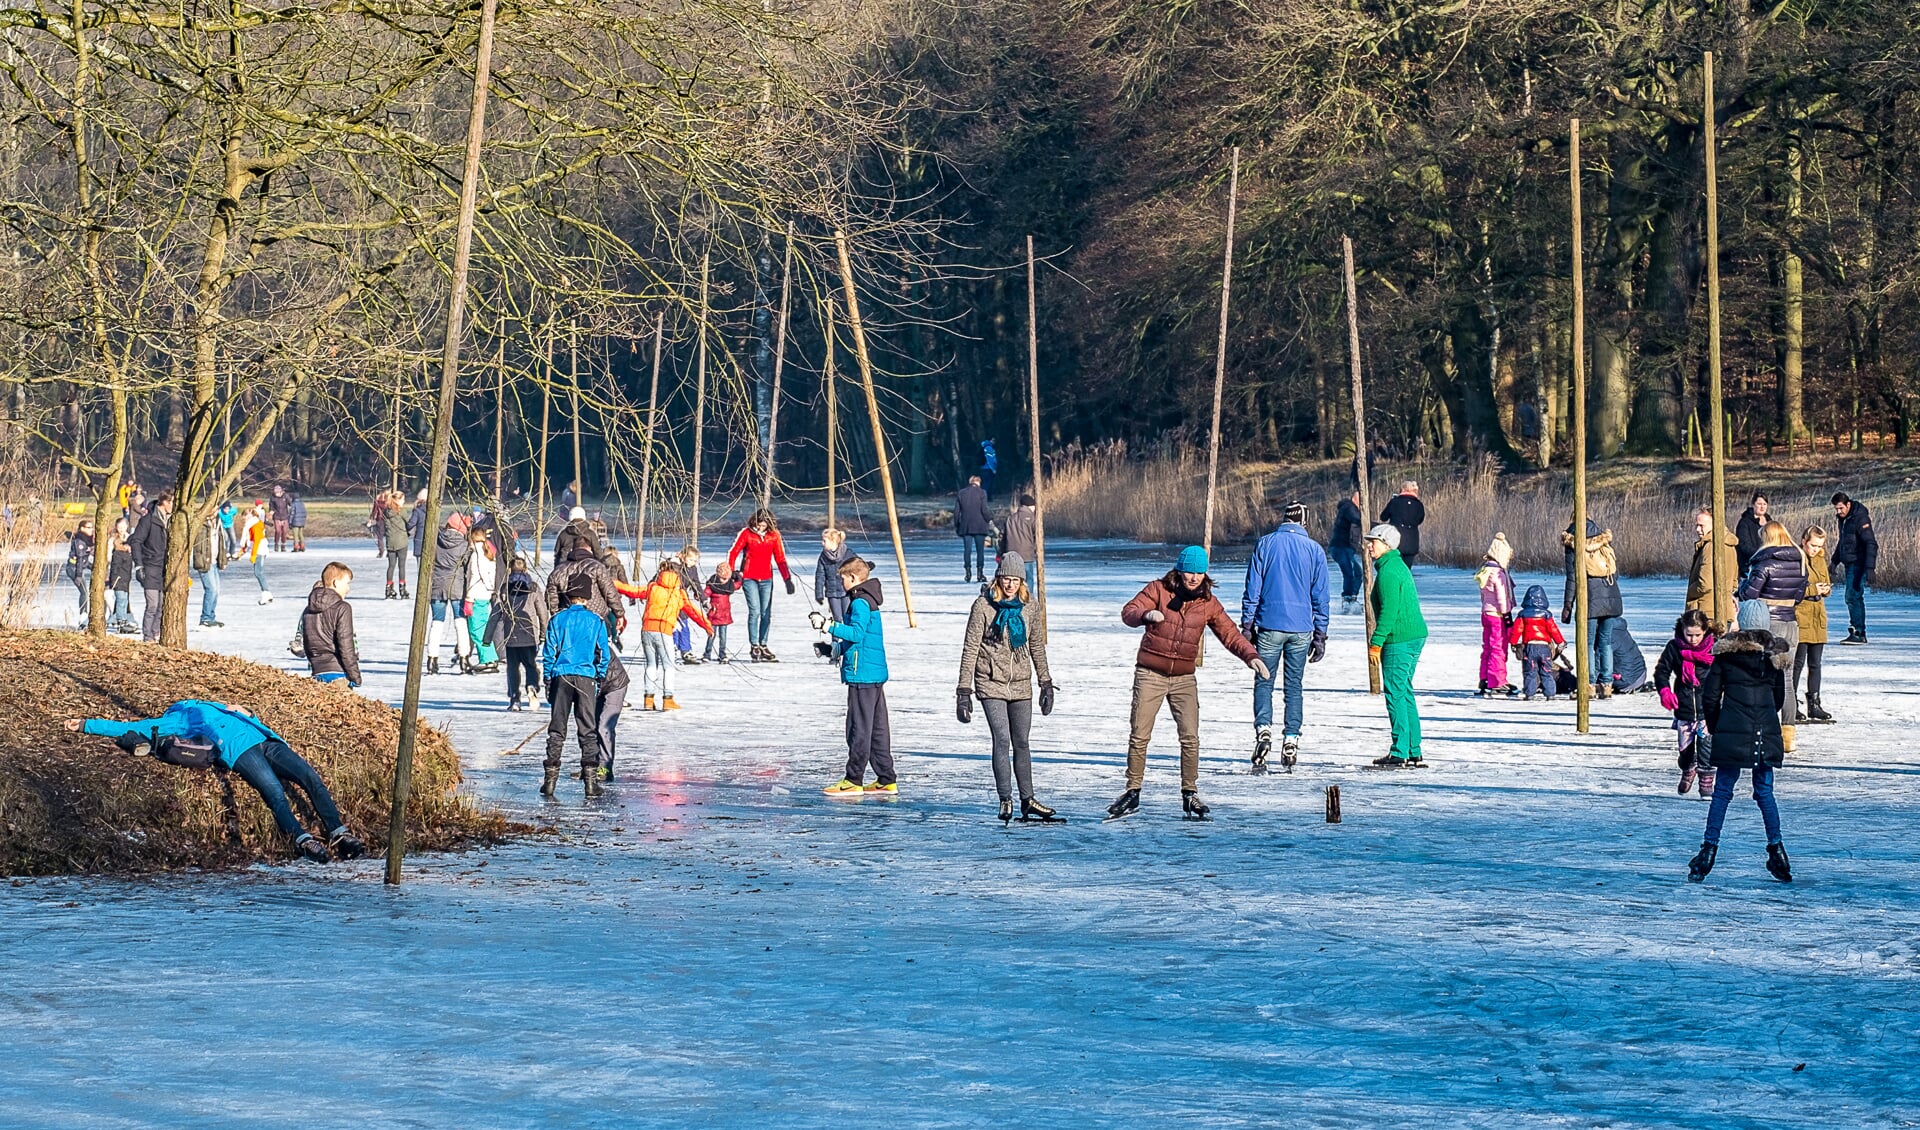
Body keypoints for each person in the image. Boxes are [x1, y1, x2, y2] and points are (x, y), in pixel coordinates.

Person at [65, 701, 365, 863]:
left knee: (308, 777)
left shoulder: (216, 705)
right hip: (240, 753)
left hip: (267, 740)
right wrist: (85, 725)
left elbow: (247, 714)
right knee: (273, 791)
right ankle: (302, 840)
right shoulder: (177, 720)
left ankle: (338, 832)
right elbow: (127, 727)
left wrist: (248, 711)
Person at [1106, 546, 1267, 820]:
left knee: (1190, 737)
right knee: (1140, 735)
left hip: (1183, 679)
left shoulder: (1208, 603)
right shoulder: (1158, 590)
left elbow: (1229, 633)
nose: (1193, 577)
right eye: (1189, 571)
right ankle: (1132, 791)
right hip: (1150, 674)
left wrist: (1250, 656)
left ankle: (1189, 793)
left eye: (1199, 572)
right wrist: (1145, 615)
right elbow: (1129, 611)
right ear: (1179, 571)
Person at [1687, 601, 1793, 884]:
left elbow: (1710, 697)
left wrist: (1716, 724)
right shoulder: (1775, 658)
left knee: (1722, 792)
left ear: (1741, 623)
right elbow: (1779, 700)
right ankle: (1777, 850)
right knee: (1764, 792)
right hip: (1765, 734)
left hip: (1732, 732)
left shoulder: (1725, 656)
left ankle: (1708, 851)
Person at [956, 552, 1058, 822]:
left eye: (1015, 580)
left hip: (1021, 683)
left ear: (1022, 582)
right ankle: (1005, 799)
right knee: (1002, 739)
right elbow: (970, 648)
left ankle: (1028, 799)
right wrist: (963, 692)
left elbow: (1036, 645)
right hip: (990, 682)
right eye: (1006, 579)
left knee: (1022, 742)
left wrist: (1045, 682)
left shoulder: (1029, 606)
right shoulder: (983, 606)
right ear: (998, 579)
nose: (1010, 585)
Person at [1239, 502, 1329, 772]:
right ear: (1305, 522)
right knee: (1294, 686)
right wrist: (1321, 633)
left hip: (1269, 624)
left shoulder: (1265, 544)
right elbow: (1320, 596)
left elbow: (1252, 588)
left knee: (1264, 680)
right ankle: (1291, 738)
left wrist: (1247, 624)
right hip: (1301, 628)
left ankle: (1263, 730)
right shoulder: (1314, 550)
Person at [823, 556, 896, 795]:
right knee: (877, 728)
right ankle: (886, 778)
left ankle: (853, 780)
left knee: (858, 728)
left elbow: (856, 632)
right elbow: (859, 640)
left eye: (843, 578)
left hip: (862, 674)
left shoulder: (860, 602)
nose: (841, 583)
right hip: (872, 672)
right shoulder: (868, 599)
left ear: (853, 578)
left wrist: (828, 625)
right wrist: (835, 649)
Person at [1736, 520, 1807, 749]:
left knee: (1762, 677)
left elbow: (1750, 593)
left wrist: (1741, 586)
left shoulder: (1764, 563)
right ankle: (1788, 735)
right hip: (1791, 622)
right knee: (1786, 680)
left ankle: (1762, 730)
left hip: (1768, 622)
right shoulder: (1801, 561)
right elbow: (1798, 597)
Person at [539, 574, 610, 798]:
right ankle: (590, 783)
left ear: (569, 595)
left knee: (557, 729)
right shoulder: (596, 621)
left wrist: (549, 679)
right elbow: (603, 654)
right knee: (588, 729)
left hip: (562, 676)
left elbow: (549, 653)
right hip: (586, 677)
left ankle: (550, 782)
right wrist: (598, 677)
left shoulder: (557, 620)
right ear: (587, 597)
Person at [1365, 524, 1428, 767]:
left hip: (1399, 639)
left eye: (1375, 542)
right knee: (1405, 692)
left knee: (1394, 693)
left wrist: (1376, 642)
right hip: (1412, 636)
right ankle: (1413, 748)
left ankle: (1400, 749)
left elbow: (1389, 612)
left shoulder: (1390, 572)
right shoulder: (1395, 566)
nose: (1370, 546)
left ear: (1387, 545)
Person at [616, 561, 712, 711]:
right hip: (664, 630)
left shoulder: (653, 588)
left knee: (651, 665)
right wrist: (707, 626)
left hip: (647, 630)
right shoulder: (679, 593)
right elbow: (693, 612)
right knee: (668, 666)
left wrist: (614, 583)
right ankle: (668, 699)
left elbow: (631, 591)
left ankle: (648, 699)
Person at [1654, 610, 1716, 797]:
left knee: (1707, 747)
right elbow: (1661, 672)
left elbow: (1724, 674)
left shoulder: (1714, 648)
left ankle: (1706, 782)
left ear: (1705, 631)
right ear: (1682, 629)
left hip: (1708, 708)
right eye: (1689, 634)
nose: (1693, 639)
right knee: (1686, 750)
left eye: (1697, 634)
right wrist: (1664, 690)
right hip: (1684, 705)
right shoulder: (1674, 647)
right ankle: (1688, 768)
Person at [1561, 518, 1624, 698]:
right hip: (1612, 598)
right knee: (1605, 642)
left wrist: (1568, 605)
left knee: (1587, 643)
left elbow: (1572, 578)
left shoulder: (1573, 542)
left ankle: (1587, 684)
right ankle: (1606, 685)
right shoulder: (1603, 539)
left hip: (1590, 600)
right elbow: (1615, 572)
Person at [727, 507, 793, 662]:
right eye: (759, 525)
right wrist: (730, 573)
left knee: (766, 613)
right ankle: (754, 645)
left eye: (764, 526)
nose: (760, 528)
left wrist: (787, 579)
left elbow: (780, 558)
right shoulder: (747, 533)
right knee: (755, 611)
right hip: (749, 578)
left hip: (766, 579)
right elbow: (733, 552)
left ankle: (763, 645)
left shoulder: (774, 536)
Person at [488, 556, 549, 711]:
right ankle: (532, 686)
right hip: (530, 635)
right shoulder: (533, 587)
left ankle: (515, 698)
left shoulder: (505, 588)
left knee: (512, 668)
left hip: (511, 636)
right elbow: (542, 612)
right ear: (526, 569)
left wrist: (487, 637)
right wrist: (544, 633)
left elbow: (496, 613)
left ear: (509, 569)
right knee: (530, 665)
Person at [1794, 525, 1834, 724]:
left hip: (1818, 615)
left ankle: (1814, 703)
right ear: (1804, 541)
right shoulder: (1795, 559)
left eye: (1819, 546)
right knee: (1797, 663)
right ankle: (1791, 704)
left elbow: (1826, 582)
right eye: (1812, 545)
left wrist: (1825, 589)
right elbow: (1792, 588)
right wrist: (1812, 589)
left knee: (1816, 663)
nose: (1815, 549)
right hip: (1801, 614)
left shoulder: (1820, 560)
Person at [301, 562, 363, 688]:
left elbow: (308, 644)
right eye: (347, 583)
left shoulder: (308, 609)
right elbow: (346, 646)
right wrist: (355, 676)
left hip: (317, 674)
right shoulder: (343, 608)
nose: (348, 588)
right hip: (338, 674)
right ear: (335, 583)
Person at [425, 513, 473, 675]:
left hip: (437, 587)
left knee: (436, 623)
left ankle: (432, 659)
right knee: (461, 623)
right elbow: (468, 566)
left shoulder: (434, 541)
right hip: (457, 587)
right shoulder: (464, 545)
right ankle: (464, 658)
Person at [1829, 491, 1877, 644]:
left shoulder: (1860, 518)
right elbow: (1843, 541)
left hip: (1859, 563)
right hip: (1849, 562)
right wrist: (1834, 561)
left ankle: (1859, 632)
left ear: (1848, 504)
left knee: (1853, 595)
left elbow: (1871, 543)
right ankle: (1857, 630)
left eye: (1841, 508)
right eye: (1836, 509)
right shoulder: (1844, 519)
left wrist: (1870, 568)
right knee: (1852, 596)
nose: (1838, 512)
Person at [1475, 533, 1516, 697]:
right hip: (1498, 615)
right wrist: (1507, 615)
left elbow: (1484, 596)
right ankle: (1497, 681)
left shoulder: (1485, 570)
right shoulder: (1498, 573)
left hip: (1486, 613)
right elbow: (1501, 595)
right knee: (1498, 647)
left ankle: (1485, 678)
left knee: (1488, 647)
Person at [1686, 507, 1739, 629]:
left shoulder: (1710, 547)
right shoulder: (1730, 546)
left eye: (1701, 526)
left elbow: (1704, 583)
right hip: (1725, 611)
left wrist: (1690, 591)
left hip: (1706, 614)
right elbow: (1734, 582)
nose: (1698, 530)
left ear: (1715, 525)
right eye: (1696, 526)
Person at [1508, 584, 1563, 701]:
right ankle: (1550, 693)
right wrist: (1560, 642)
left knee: (1530, 671)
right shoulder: (1546, 615)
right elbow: (1553, 629)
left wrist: (1513, 643)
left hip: (1530, 647)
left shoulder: (1523, 614)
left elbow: (1517, 630)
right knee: (1547, 671)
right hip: (1544, 648)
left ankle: (1530, 693)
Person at [131, 491, 172, 642]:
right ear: (165, 502)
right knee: (152, 604)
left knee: (162, 604)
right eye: (172, 502)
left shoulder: (172, 520)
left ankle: (156, 632)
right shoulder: (148, 520)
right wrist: (139, 565)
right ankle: (147, 635)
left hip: (164, 568)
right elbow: (136, 541)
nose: (173, 506)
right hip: (150, 566)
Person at [464, 527, 501, 673]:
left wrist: (469, 597)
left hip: (477, 595)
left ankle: (488, 659)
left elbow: (475, 577)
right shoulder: (488, 551)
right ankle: (488, 657)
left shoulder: (476, 555)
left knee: (476, 631)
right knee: (484, 628)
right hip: (485, 595)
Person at [1329, 490, 1364, 612]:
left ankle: (1352, 597)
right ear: (1356, 499)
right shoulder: (1348, 508)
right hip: (1340, 547)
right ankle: (1347, 598)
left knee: (1358, 573)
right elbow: (1358, 520)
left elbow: (1360, 523)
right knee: (1350, 572)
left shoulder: (1351, 509)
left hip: (1347, 548)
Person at [190, 512, 227, 628]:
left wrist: (223, 559)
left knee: (216, 590)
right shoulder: (201, 523)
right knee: (211, 589)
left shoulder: (218, 522)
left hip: (215, 560)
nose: (214, 512)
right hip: (205, 561)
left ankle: (211, 616)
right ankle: (205, 618)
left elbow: (221, 543)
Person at [953, 475, 994, 583]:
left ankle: (968, 572)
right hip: (980, 526)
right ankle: (980, 573)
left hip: (966, 526)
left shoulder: (961, 493)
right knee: (980, 550)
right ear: (978, 482)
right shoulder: (982, 493)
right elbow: (984, 509)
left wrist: (957, 525)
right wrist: (989, 519)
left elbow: (957, 512)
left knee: (967, 550)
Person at [704, 561, 742, 663]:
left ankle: (722, 653)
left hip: (724, 615)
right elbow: (706, 592)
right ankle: (707, 653)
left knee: (723, 637)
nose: (724, 581)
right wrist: (701, 596)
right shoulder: (713, 583)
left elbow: (738, 584)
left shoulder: (729, 585)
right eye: (722, 578)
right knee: (711, 635)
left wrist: (738, 576)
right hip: (714, 614)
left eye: (726, 578)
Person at [1379, 481, 1425, 564]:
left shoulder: (1394, 502)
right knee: (1406, 570)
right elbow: (1420, 520)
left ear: (1403, 489)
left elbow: (1383, 517)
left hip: (1396, 541)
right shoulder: (1419, 504)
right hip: (1412, 541)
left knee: (1395, 568)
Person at [1002, 494, 1040, 592]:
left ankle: (1015, 598)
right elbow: (1037, 535)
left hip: (1011, 554)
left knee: (1013, 578)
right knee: (1028, 578)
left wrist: (1002, 553)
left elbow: (1004, 537)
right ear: (1031, 506)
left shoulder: (1010, 518)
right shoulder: (1033, 518)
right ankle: (1028, 600)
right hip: (1026, 554)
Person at [106, 517, 138, 633]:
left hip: (126, 572)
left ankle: (124, 618)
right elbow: (108, 557)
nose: (121, 529)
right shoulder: (113, 540)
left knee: (125, 597)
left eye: (123, 527)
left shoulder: (130, 538)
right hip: (117, 571)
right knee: (120, 597)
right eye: (119, 527)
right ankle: (121, 620)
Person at [65, 519, 95, 626]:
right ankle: (83, 615)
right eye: (89, 527)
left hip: (80, 566)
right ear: (82, 528)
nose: (92, 529)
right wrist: (78, 575)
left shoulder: (87, 539)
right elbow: (80, 559)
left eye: (92, 527)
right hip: (74, 568)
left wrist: (93, 567)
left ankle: (84, 614)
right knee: (84, 592)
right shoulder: (80, 540)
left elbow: (85, 559)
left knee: (85, 592)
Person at [381, 491, 410, 598]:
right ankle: (402, 588)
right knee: (401, 566)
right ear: (398, 500)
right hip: (402, 542)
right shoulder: (401, 511)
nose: (404, 501)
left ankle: (388, 588)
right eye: (402, 499)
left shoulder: (386, 512)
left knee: (391, 566)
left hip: (390, 542)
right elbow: (409, 523)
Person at [1734, 491, 1770, 576]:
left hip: (1768, 564)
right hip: (1750, 567)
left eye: (1764, 504)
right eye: (1759, 504)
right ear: (1753, 504)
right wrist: (1761, 555)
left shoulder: (1770, 521)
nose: (1762, 507)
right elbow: (1744, 546)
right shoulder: (1745, 522)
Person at [242, 502, 271, 603]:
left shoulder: (255, 525)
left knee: (258, 572)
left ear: (250, 516)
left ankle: (266, 593)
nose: (244, 519)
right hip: (258, 549)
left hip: (260, 550)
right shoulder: (251, 525)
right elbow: (249, 541)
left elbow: (257, 541)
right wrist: (240, 552)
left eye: (245, 517)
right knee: (258, 572)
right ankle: (267, 593)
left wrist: (254, 555)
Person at [269, 485, 291, 552]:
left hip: (285, 516)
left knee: (284, 531)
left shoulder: (286, 496)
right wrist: (271, 513)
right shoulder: (273, 498)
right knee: (278, 531)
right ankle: (276, 544)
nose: (276, 494)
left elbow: (290, 504)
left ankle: (283, 545)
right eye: (275, 493)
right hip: (277, 516)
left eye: (277, 493)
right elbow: (271, 507)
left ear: (281, 492)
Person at [407, 488, 428, 562]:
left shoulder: (417, 510)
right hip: (430, 540)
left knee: (419, 565)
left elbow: (411, 523)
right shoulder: (432, 510)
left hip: (419, 539)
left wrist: (405, 527)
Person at [367, 492, 388, 559]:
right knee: (389, 536)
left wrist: (370, 519)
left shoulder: (378, 502)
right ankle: (389, 551)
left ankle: (381, 551)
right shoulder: (388, 502)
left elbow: (374, 511)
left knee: (380, 537)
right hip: (388, 520)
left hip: (380, 520)